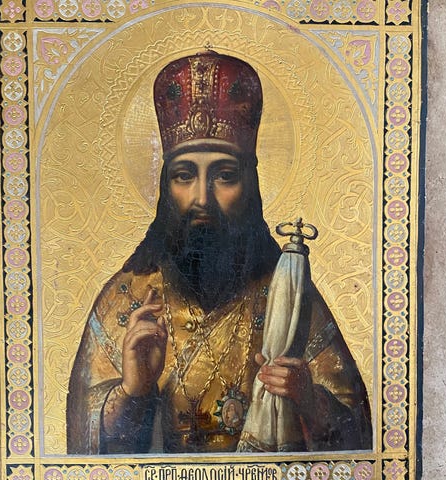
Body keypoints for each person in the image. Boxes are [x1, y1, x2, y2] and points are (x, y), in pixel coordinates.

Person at [66, 51, 372, 454]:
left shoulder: (289, 296)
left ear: (250, 185)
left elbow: (360, 438)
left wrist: (309, 401)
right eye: (184, 175)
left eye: (225, 176)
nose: (202, 198)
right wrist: (131, 392)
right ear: (165, 187)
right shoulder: (125, 298)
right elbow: (80, 444)